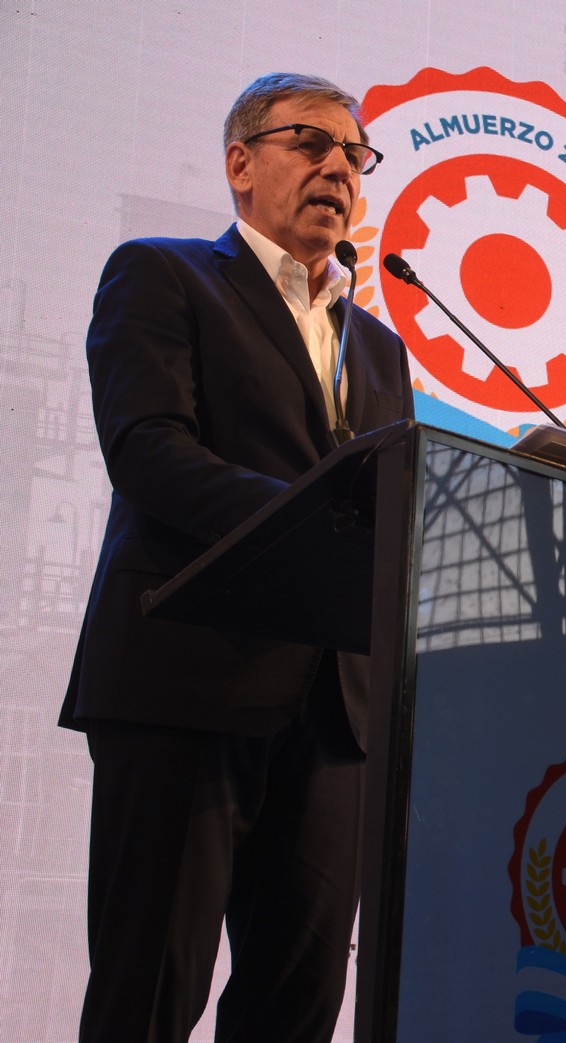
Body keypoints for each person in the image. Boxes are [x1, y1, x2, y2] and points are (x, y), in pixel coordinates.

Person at [59, 72, 413, 1042]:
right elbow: (148, 451)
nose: (338, 166)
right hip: (188, 685)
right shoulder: (163, 276)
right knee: (148, 994)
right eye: (311, 142)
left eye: (355, 156)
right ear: (240, 164)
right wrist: (308, 522)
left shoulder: (379, 349)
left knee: (294, 1009)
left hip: (333, 713)